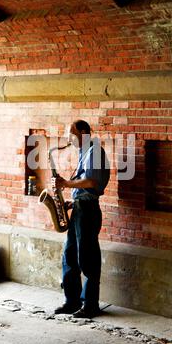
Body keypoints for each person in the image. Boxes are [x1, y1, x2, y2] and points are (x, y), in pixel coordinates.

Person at [52, 120, 110, 318]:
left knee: (87, 258)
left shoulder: (94, 151)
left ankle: (90, 305)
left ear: (84, 132)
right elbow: (83, 184)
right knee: (69, 256)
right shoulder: (84, 152)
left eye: (72, 133)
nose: (69, 138)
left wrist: (66, 184)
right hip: (80, 207)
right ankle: (72, 301)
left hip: (88, 210)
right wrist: (70, 201)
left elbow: (92, 181)